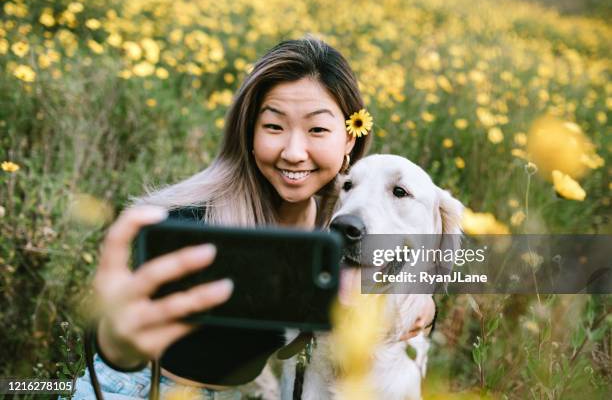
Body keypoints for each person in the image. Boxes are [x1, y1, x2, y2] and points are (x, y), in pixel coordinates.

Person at [70, 34, 436, 400]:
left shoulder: (338, 220)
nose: (293, 152)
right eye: (274, 127)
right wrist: (116, 341)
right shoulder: (197, 222)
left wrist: (424, 303)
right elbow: (126, 336)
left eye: (317, 129)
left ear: (349, 141)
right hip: (137, 389)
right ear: (249, 133)